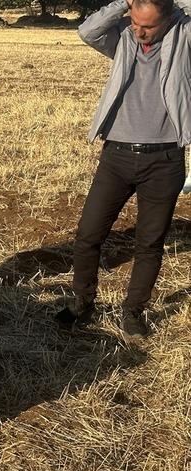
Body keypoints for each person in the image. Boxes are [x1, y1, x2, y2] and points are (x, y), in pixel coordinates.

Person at [57, 0, 190, 337]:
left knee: (149, 243)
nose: (139, 31)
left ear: (170, 17)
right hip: (116, 155)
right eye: (135, 22)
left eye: (147, 26)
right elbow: (87, 31)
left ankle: (133, 312)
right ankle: (82, 303)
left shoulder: (184, 36)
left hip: (164, 160)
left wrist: (174, 4)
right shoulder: (124, 38)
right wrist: (124, 4)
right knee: (88, 235)